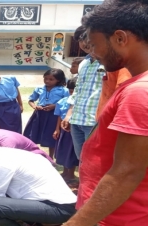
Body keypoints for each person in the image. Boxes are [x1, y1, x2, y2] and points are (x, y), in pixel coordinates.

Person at [64, 1, 148, 225]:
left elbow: (126, 173)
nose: (91, 52)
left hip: (118, 217)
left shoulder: (139, 92)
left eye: (93, 44)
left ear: (120, 38)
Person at [0, 135, 76, 226]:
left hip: (58, 209)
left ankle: (45, 221)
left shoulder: (1, 162)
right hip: (56, 204)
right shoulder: (8, 153)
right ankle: (37, 221)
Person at [61, 25, 105, 160]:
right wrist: (69, 114)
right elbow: (77, 90)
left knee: (96, 160)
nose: (85, 43)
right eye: (81, 39)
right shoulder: (84, 63)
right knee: (82, 159)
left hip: (95, 121)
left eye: (88, 38)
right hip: (77, 120)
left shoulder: (108, 63)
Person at [24, 68, 69, 158]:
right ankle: (34, 155)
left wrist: (54, 106)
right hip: (39, 114)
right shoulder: (39, 88)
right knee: (34, 134)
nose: (47, 81)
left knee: (51, 136)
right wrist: (35, 106)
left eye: (51, 79)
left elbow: (67, 103)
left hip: (54, 116)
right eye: (45, 78)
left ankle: (50, 157)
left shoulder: (64, 91)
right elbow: (31, 100)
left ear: (58, 80)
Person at [53, 77, 79, 182]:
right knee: (63, 151)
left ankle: (71, 174)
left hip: (73, 130)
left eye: (74, 91)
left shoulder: (80, 103)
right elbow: (59, 116)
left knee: (71, 153)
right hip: (64, 130)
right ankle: (65, 172)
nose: (72, 93)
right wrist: (57, 129)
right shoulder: (62, 101)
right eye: (70, 91)